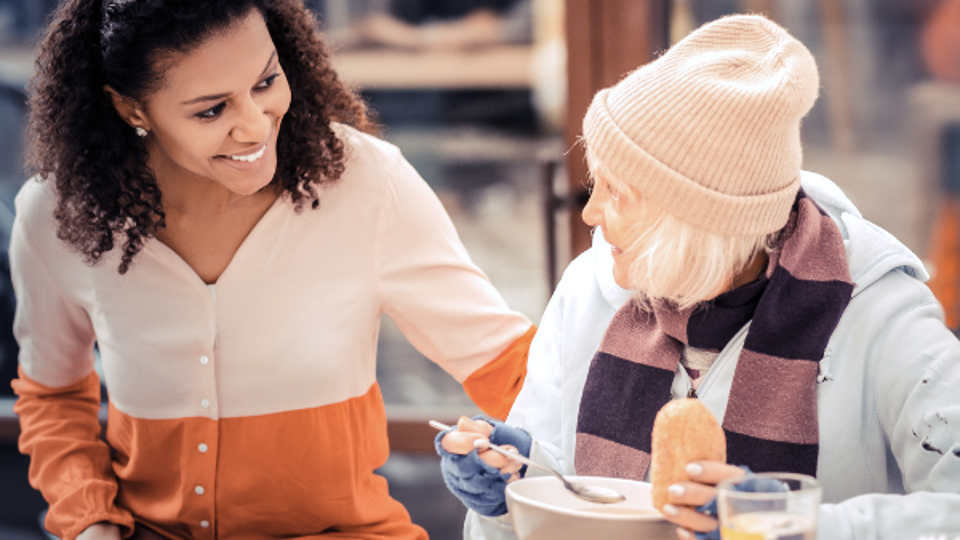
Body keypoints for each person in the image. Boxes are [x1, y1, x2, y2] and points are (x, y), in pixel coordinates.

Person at [12, 1, 536, 539]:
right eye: (211, 110)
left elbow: (510, 366)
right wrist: (89, 521)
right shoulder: (60, 217)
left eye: (265, 82)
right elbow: (53, 395)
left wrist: (549, 451)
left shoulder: (367, 185)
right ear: (131, 109)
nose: (255, 125)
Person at [436, 13, 960, 540]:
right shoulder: (589, 286)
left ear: (699, 223)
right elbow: (578, 493)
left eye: (617, 192)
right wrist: (517, 489)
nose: (590, 214)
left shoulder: (880, 313)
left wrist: (792, 527)